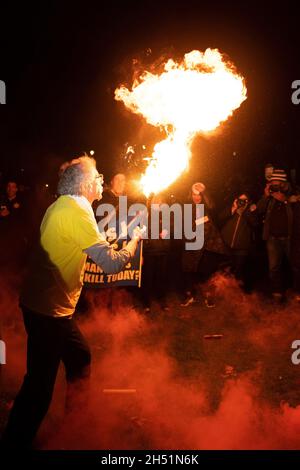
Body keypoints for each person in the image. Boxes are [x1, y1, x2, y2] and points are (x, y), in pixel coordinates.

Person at [1, 156, 142, 448]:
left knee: (79, 358)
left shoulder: (65, 205)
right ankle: (14, 443)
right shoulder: (75, 211)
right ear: (87, 184)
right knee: (39, 389)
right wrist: (134, 242)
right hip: (47, 313)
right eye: (98, 176)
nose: (102, 179)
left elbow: (89, 244)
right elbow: (112, 264)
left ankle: (75, 423)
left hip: (50, 309)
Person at [181, 182, 226, 308]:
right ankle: (190, 295)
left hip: (207, 245)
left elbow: (212, 219)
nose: (197, 197)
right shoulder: (186, 207)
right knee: (190, 271)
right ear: (191, 195)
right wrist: (199, 221)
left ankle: (208, 296)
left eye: (200, 195)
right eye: (195, 194)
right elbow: (186, 226)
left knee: (206, 272)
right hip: (191, 244)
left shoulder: (208, 207)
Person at [257, 169, 292, 302]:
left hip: (290, 237)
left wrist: (286, 200)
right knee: (273, 267)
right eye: (272, 183)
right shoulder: (269, 198)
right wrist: (265, 196)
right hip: (272, 238)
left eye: (277, 183)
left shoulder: (292, 194)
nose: (274, 185)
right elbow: (259, 210)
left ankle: (295, 290)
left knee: (295, 265)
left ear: (284, 183)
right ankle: (277, 292)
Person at [220, 192, 258, 287]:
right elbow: (220, 218)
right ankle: (223, 291)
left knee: (239, 270)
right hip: (226, 244)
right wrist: (233, 209)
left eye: (245, 200)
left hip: (242, 247)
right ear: (236, 200)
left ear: (248, 201)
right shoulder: (231, 208)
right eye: (240, 200)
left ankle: (237, 293)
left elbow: (256, 224)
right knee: (225, 269)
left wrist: (245, 212)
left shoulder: (251, 211)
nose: (242, 202)